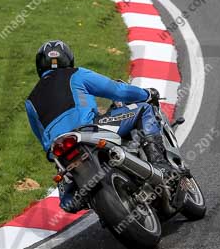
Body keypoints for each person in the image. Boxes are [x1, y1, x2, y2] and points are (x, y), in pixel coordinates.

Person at [25, 40, 171, 212]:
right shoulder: (76, 74)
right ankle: (159, 162)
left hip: (59, 147)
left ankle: (71, 191)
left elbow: (42, 137)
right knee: (144, 109)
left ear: (39, 65)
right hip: (89, 129)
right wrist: (147, 93)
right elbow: (118, 91)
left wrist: (53, 153)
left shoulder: (30, 101)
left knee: (61, 170)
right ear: (69, 59)